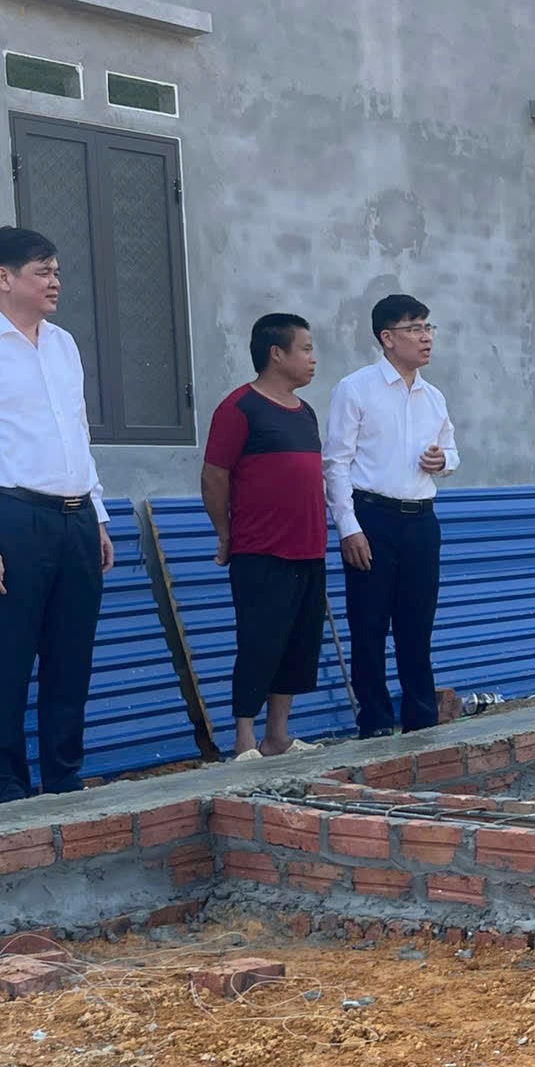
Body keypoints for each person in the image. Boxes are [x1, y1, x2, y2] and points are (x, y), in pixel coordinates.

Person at [0, 226, 114, 802]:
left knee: (71, 655)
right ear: (3, 278)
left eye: (57, 270)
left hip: (75, 515)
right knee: (9, 659)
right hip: (11, 515)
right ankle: (5, 787)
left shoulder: (63, 344)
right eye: (43, 271)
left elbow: (77, 432)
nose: (55, 281)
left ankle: (64, 777)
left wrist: (97, 511)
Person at [322, 294, 457, 737]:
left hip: (421, 520)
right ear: (388, 338)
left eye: (428, 327)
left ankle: (422, 721)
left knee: (417, 626)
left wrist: (443, 461)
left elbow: (451, 450)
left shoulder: (433, 397)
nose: (426, 337)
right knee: (369, 626)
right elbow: (335, 463)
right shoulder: (355, 389)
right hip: (372, 518)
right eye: (414, 328)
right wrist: (348, 527)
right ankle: (376, 724)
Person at [203, 313, 328, 759]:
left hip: (308, 549)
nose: (313, 358)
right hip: (261, 550)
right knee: (259, 642)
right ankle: (243, 740)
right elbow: (214, 477)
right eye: (306, 349)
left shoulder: (306, 413)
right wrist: (225, 533)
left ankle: (277, 736)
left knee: (297, 645)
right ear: (277, 353)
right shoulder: (239, 408)